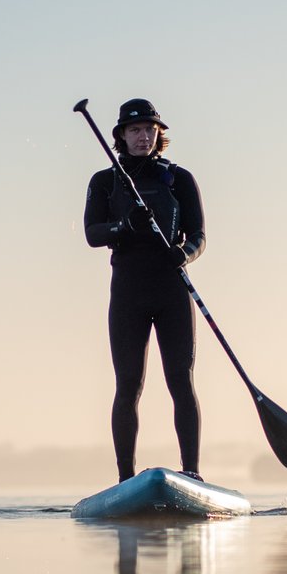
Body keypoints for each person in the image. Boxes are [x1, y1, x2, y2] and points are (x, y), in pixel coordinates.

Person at [83, 99, 206, 483]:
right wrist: (124, 226)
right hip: (128, 294)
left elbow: (199, 236)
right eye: (135, 130)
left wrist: (183, 253)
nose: (143, 137)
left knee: (180, 381)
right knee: (128, 385)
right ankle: (125, 479)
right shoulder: (105, 181)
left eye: (150, 130)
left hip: (172, 289)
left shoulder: (178, 178)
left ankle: (192, 473)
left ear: (159, 134)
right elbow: (92, 234)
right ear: (121, 135)